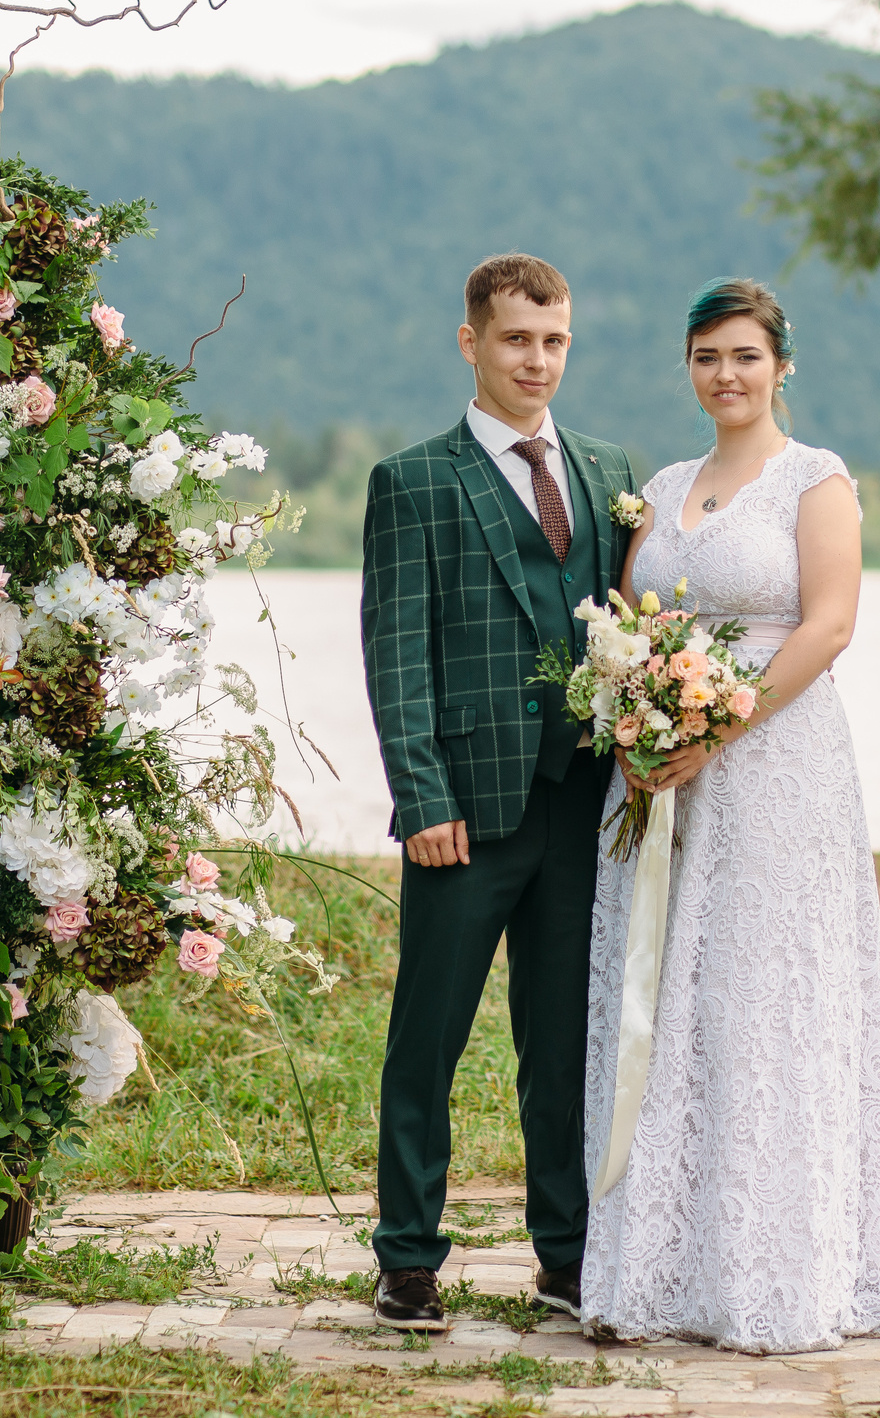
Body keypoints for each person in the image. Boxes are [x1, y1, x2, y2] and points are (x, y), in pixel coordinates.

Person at [580, 278, 880, 1353]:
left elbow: (830, 625)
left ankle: (774, 1271)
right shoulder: (659, 489)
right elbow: (627, 625)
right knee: (670, 997)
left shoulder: (816, 481)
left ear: (780, 366)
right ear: (688, 368)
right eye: (706, 357)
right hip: (658, 776)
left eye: (745, 356)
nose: (726, 375)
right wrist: (635, 724)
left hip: (776, 767)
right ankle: (653, 1270)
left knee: (765, 993)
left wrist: (717, 730)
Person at [361, 253, 641, 1330]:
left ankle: (566, 1256)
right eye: (516, 338)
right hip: (463, 812)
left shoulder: (608, 470)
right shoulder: (414, 480)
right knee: (427, 1035)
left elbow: (627, 629)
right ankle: (407, 1256)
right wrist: (421, 796)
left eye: (554, 339)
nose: (537, 359)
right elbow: (397, 654)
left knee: (564, 1042)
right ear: (471, 341)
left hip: (582, 807)